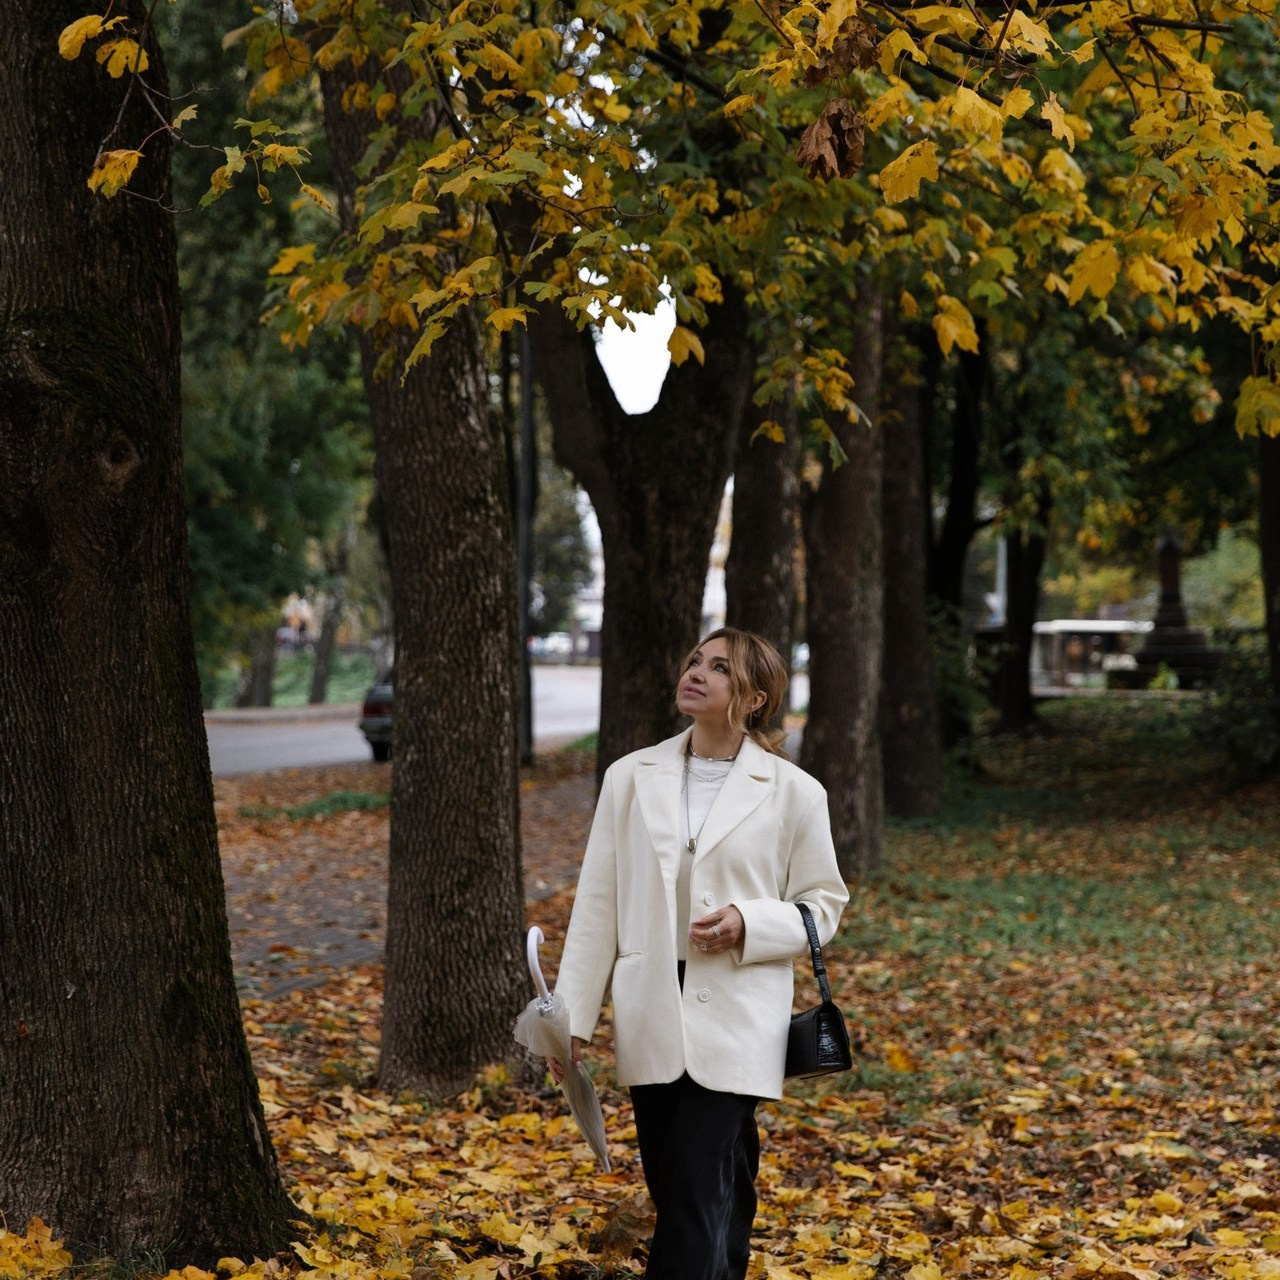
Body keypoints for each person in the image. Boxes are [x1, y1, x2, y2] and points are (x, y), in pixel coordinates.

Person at [547, 627, 849, 1279]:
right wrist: (570, 1019)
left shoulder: (796, 792)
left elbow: (823, 905)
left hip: (740, 1011)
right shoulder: (630, 777)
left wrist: (750, 921)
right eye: (694, 661)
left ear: (754, 697)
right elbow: (598, 904)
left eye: (720, 668)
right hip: (651, 1003)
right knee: (702, 1181)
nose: (697, 673)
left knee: (690, 1190)